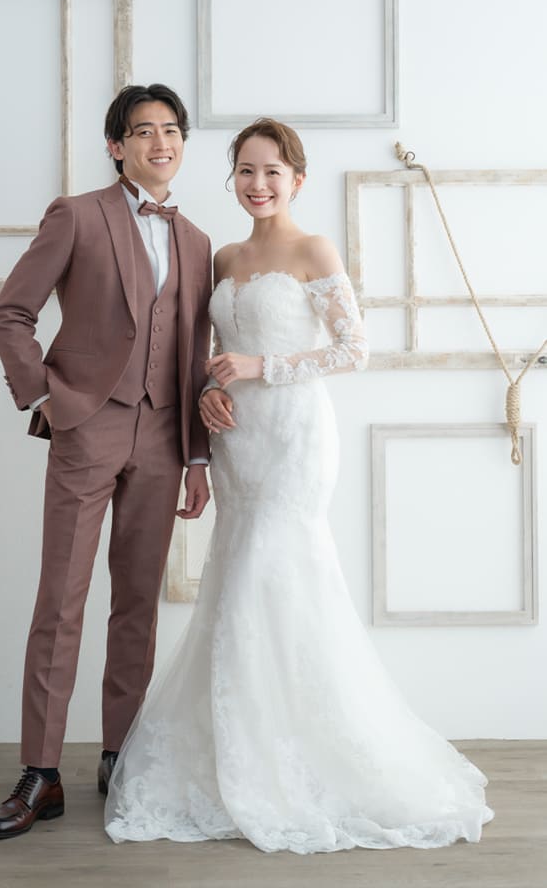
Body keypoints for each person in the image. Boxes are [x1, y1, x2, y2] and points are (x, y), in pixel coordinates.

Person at [103, 118, 494, 853]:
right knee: (237, 582)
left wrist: (263, 368)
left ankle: (299, 758)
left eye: (272, 172)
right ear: (234, 179)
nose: (258, 185)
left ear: (297, 180)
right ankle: (239, 745)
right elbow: (210, 355)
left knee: (278, 574)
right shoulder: (223, 257)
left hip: (294, 439)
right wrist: (208, 394)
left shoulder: (314, 250)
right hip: (237, 442)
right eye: (246, 172)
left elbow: (355, 350)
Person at [0, 84, 212, 840]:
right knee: (61, 602)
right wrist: (44, 399)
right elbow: (11, 312)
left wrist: (197, 456)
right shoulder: (77, 215)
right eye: (143, 131)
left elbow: (193, 354)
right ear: (116, 146)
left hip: (164, 438)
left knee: (138, 605)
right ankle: (41, 772)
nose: (160, 142)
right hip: (86, 427)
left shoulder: (198, 241)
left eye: (171, 130)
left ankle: (123, 758)